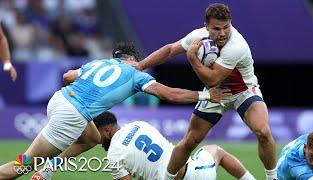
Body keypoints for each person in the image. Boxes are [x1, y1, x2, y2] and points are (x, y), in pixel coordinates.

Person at [0, 42, 229, 179]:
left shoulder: (99, 63)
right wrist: (206, 95)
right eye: (138, 61)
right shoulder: (135, 74)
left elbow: (67, 76)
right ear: (132, 59)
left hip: (59, 100)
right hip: (72, 115)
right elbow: (169, 94)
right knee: (24, 164)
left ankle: (49, 168)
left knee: (92, 138)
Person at [128, 3, 277, 180]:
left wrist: (192, 59)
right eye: (216, 28)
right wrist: (141, 65)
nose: (222, 33)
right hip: (215, 93)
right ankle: (167, 178)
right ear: (206, 26)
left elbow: (213, 78)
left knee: (263, 132)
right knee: (190, 141)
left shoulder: (237, 45)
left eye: (226, 27)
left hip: (243, 91)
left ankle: (272, 177)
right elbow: (170, 50)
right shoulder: (198, 36)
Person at [33, 111, 256, 180]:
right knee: (216, 151)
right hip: (198, 173)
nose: (97, 140)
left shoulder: (112, 157)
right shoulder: (140, 124)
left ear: (107, 130)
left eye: (99, 135)